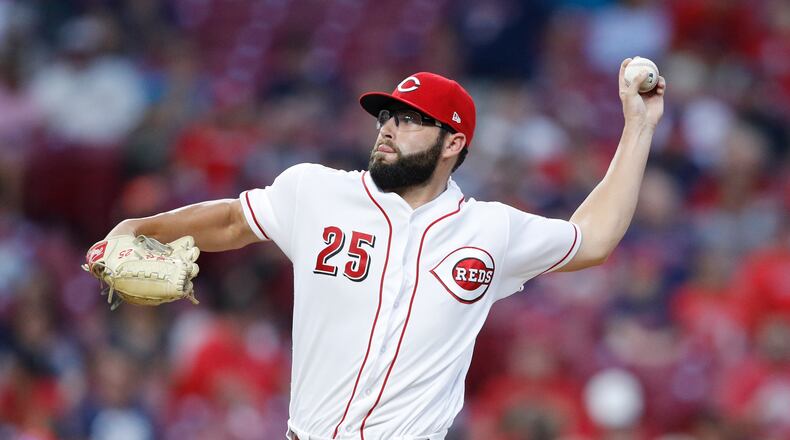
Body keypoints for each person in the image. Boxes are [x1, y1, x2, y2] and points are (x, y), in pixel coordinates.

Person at [98, 59, 666, 439]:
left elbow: (593, 238)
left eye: (412, 120)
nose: (389, 128)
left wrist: (637, 128)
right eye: (387, 115)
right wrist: (139, 225)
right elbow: (230, 220)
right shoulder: (316, 191)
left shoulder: (491, 230)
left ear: (454, 142)